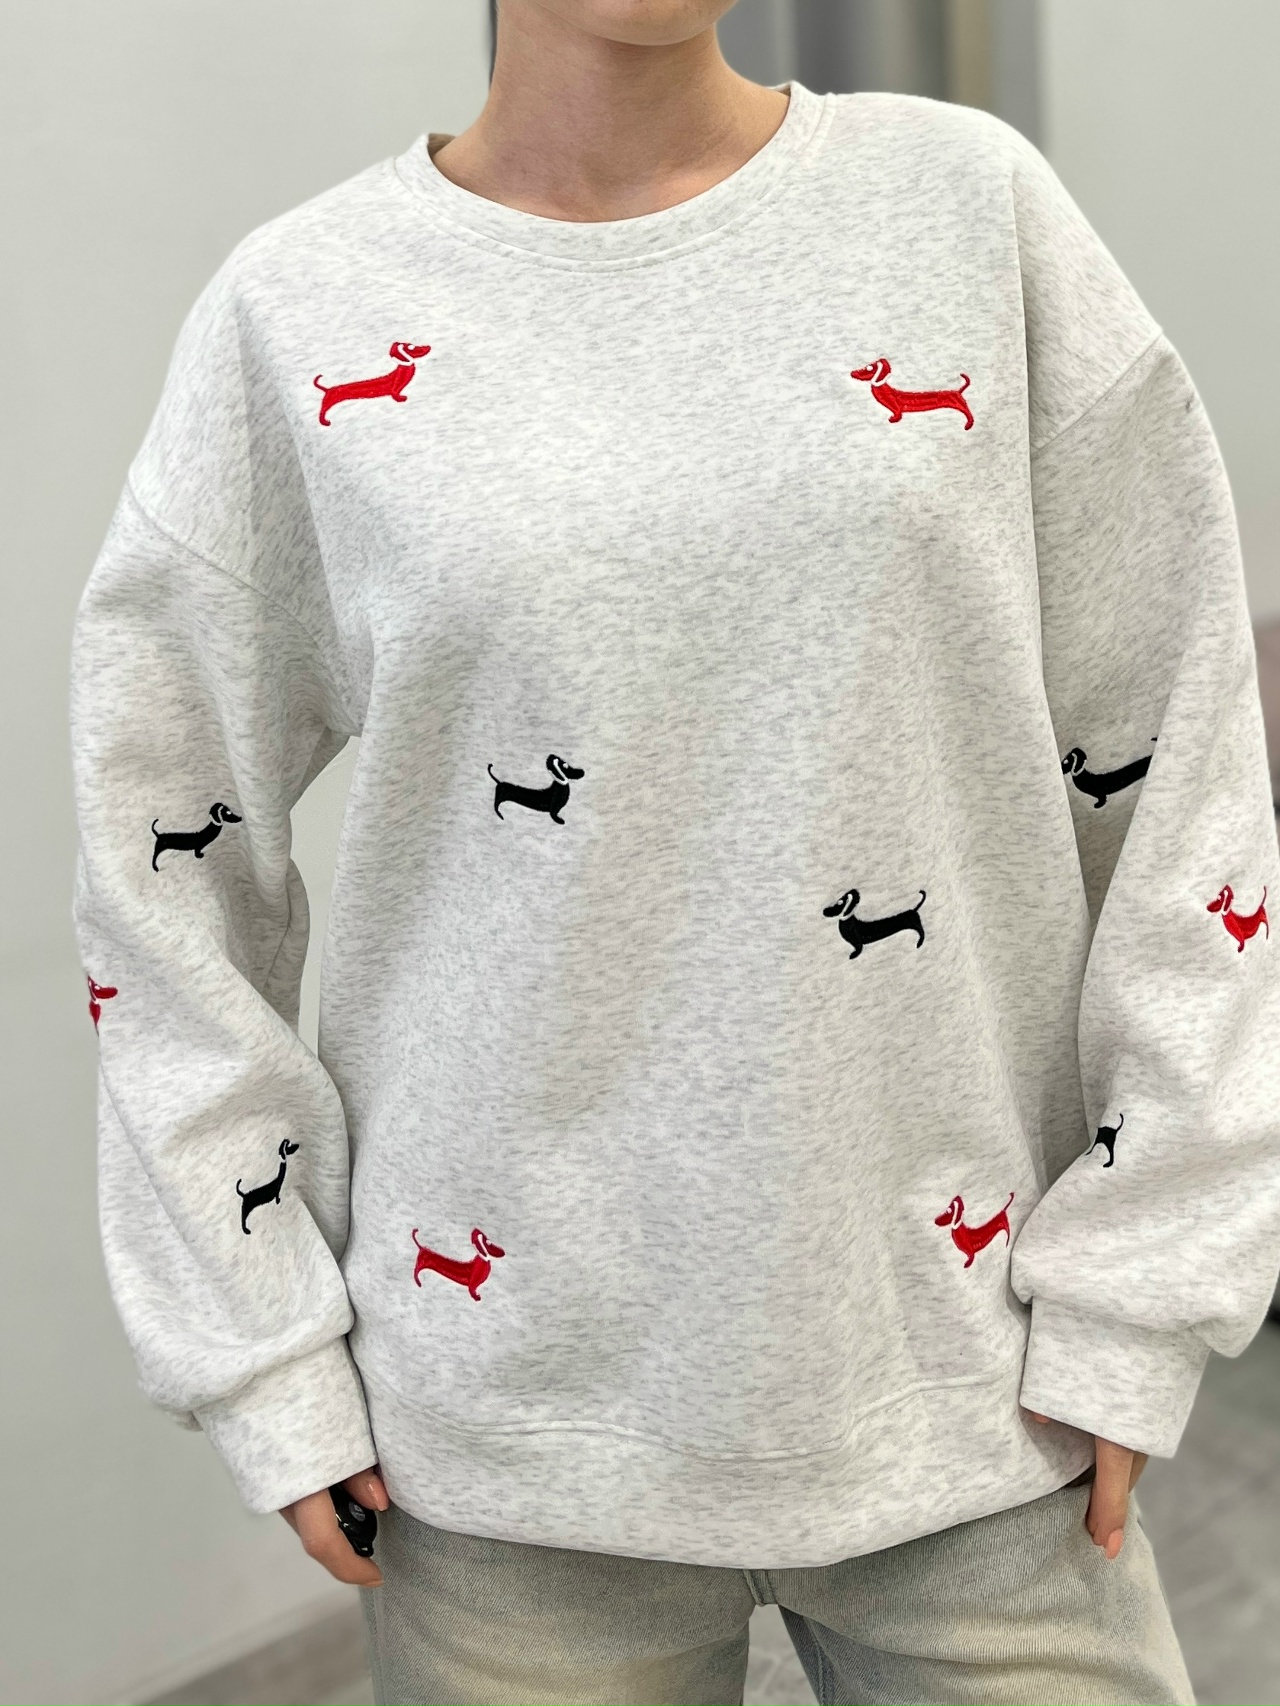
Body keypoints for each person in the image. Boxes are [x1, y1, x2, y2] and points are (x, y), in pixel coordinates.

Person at [69, 2, 1280, 1702]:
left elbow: (1180, 765)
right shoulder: (299, 314)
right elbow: (163, 860)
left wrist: (1146, 1275)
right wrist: (258, 1340)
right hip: (503, 1470)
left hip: (974, 1397)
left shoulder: (969, 215)